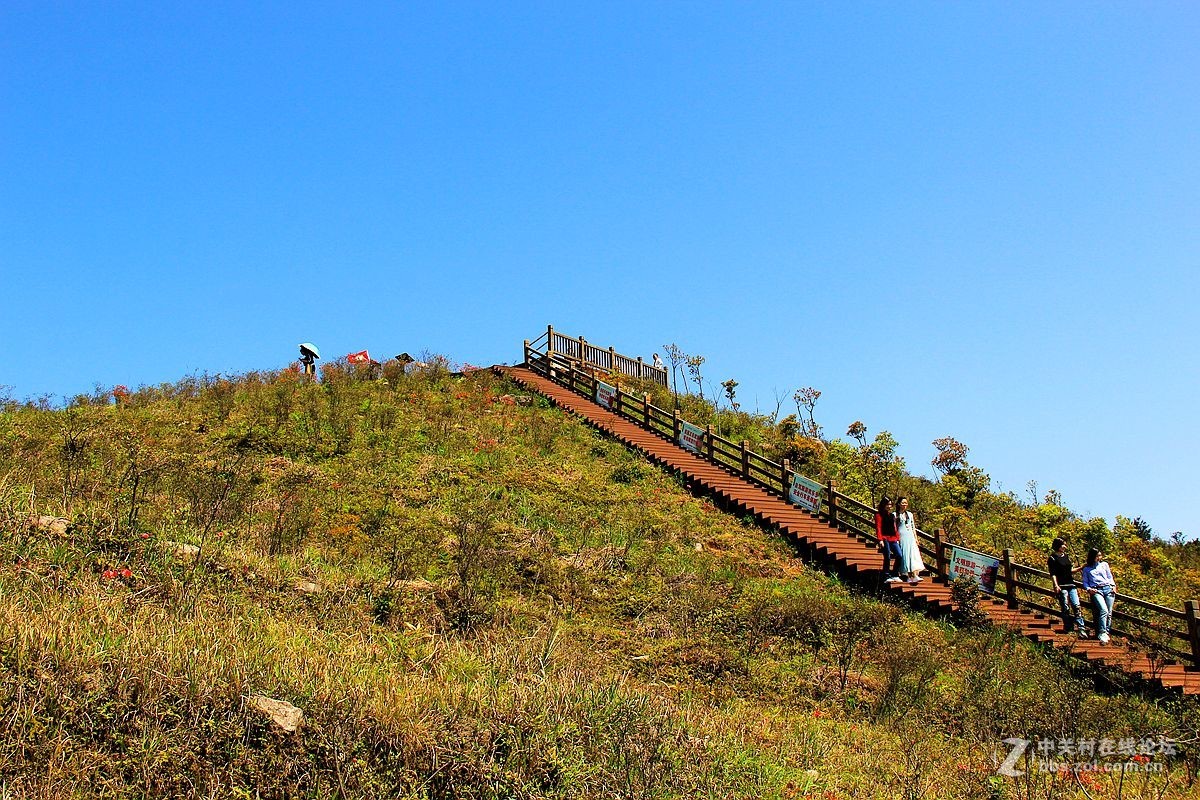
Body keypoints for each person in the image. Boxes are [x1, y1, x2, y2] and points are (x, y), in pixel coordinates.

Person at [1047, 537, 1087, 638]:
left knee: (1076, 605)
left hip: (1071, 584)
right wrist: (1055, 585)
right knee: (1065, 606)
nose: (1065, 546)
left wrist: (1081, 567)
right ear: (1058, 546)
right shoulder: (1052, 558)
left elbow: (1071, 570)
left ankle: (1081, 628)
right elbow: (1053, 573)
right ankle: (1068, 627)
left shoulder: (1067, 556)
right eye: (1063, 545)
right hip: (1061, 585)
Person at [1081, 547, 1118, 644]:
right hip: (1096, 590)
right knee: (1103, 610)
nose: (1099, 557)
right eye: (1097, 556)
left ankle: (1106, 632)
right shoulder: (1087, 569)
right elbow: (1085, 582)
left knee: (1109, 612)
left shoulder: (1104, 565)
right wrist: (1089, 589)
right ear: (1093, 556)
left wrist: (1113, 586)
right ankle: (1102, 632)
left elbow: (1110, 577)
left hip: (1107, 588)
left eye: (1100, 555)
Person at [895, 497, 924, 584]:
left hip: (910, 536)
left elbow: (913, 527)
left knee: (913, 555)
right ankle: (908, 576)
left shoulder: (910, 514)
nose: (904, 505)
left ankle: (915, 575)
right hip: (901, 537)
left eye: (906, 503)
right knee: (905, 555)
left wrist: (915, 538)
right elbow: (894, 528)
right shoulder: (895, 515)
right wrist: (896, 539)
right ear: (899, 504)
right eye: (903, 503)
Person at [876, 497, 903, 584]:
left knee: (899, 555)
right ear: (883, 505)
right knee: (887, 556)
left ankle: (895, 574)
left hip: (893, 538)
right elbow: (878, 527)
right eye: (887, 504)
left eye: (890, 504)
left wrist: (897, 538)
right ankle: (886, 575)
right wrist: (880, 539)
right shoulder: (878, 515)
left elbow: (894, 527)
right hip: (884, 538)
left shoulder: (892, 515)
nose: (889, 506)